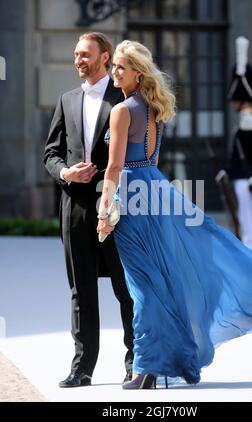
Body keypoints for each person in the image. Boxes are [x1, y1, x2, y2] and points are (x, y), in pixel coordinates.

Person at [97, 40, 252, 389]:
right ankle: (160, 362)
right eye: (114, 66)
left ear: (138, 72)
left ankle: (146, 367)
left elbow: (114, 166)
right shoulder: (153, 107)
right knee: (161, 279)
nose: (115, 72)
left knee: (143, 284)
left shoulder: (122, 111)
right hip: (155, 189)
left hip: (132, 194)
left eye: (121, 66)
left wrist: (105, 210)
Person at [44, 32, 134, 388]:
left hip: (118, 208)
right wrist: (66, 172)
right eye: (76, 54)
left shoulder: (125, 100)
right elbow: (50, 153)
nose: (78, 59)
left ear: (105, 57)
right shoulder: (66, 100)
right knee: (80, 290)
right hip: (75, 208)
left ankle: (135, 362)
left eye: (85, 54)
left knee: (126, 288)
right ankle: (82, 368)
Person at [227, 36, 252, 253]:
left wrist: (250, 172)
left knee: (248, 216)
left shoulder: (248, 119)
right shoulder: (244, 118)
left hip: (245, 175)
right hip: (241, 174)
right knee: (245, 215)